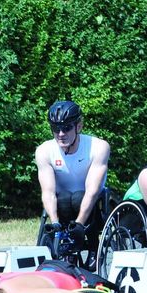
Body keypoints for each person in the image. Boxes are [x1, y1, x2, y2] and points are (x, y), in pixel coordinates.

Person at [34, 100, 111, 265]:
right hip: (62, 202)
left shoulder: (99, 147)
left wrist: (79, 224)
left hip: (90, 201)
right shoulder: (43, 151)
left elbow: (92, 191)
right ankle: (67, 247)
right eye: (56, 129)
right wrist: (54, 223)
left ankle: (93, 244)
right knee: (64, 197)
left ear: (79, 126)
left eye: (67, 128)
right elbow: (47, 191)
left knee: (78, 196)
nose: (61, 134)